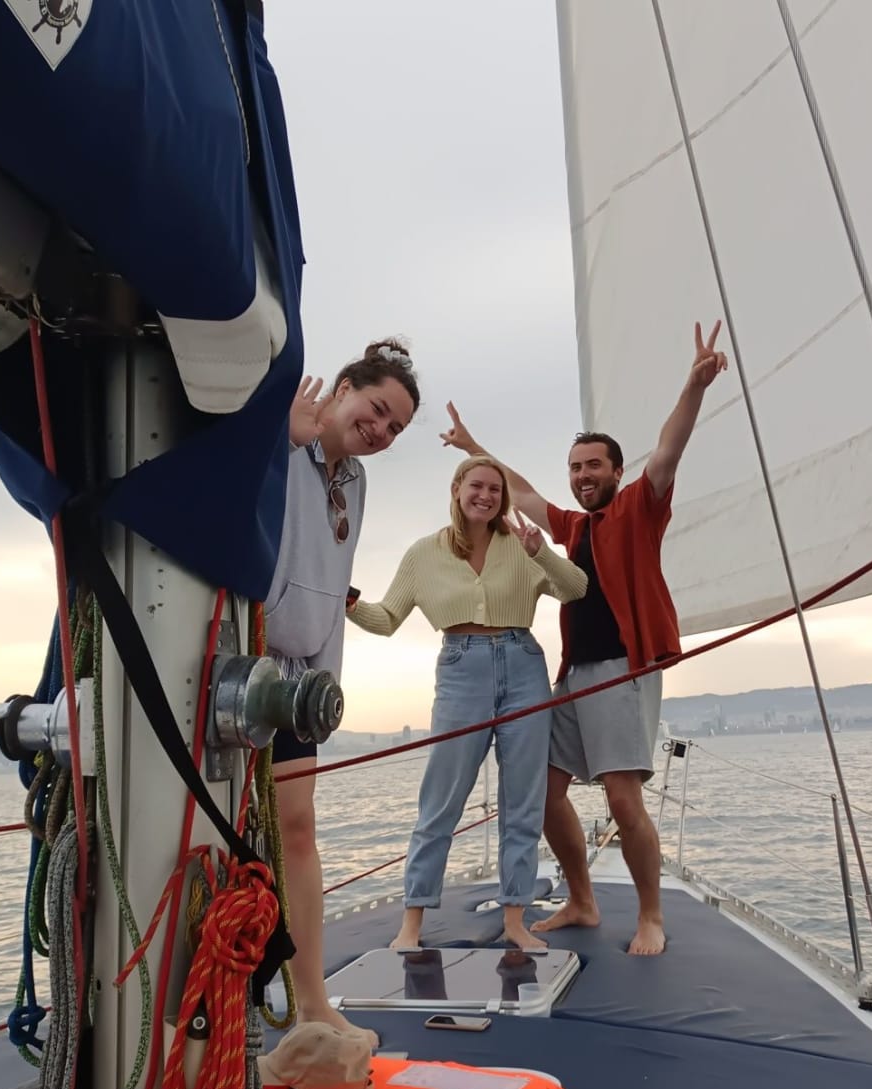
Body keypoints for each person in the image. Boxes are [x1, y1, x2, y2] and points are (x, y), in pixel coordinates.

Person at [440, 322, 729, 956]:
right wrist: (471, 447)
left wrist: (694, 385)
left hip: (624, 670)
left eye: (594, 465)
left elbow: (669, 448)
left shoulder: (640, 506)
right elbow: (519, 492)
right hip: (573, 675)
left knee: (624, 800)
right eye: (575, 468)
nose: (583, 475)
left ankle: (650, 915)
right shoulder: (573, 527)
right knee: (543, 792)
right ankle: (582, 899)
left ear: (617, 470)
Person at [346, 454, 587, 953]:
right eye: (476, 485)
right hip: (460, 669)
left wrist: (542, 553)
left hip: (524, 666)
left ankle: (515, 919)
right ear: (457, 489)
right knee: (441, 799)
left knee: (523, 801)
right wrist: (345, 600)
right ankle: (412, 923)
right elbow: (386, 619)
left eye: (495, 490)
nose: (486, 496)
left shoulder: (522, 545)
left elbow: (576, 588)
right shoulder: (423, 554)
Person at [265, 339, 420, 1040]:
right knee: (224, 832)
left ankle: (311, 1000)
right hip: (246, 667)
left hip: (301, 682)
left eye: (395, 428)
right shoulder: (279, 438)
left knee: (298, 828)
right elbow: (228, 507)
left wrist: (327, 687)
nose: (380, 430)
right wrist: (279, 443)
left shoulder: (354, 481)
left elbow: (334, 588)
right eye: (377, 409)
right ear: (345, 387)